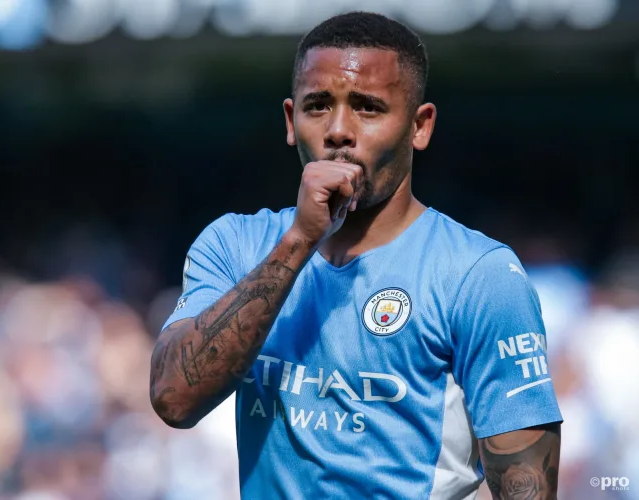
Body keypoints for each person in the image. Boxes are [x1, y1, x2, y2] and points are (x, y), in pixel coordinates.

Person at [150, 11, 562, 500]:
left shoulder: (478, 274)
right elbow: (175, 399)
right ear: (290, 119)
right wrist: (300, 240)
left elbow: (527, 486)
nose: (339, 130)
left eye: (367, 108)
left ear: (419, 127)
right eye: (318, 105)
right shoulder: (234, 245)